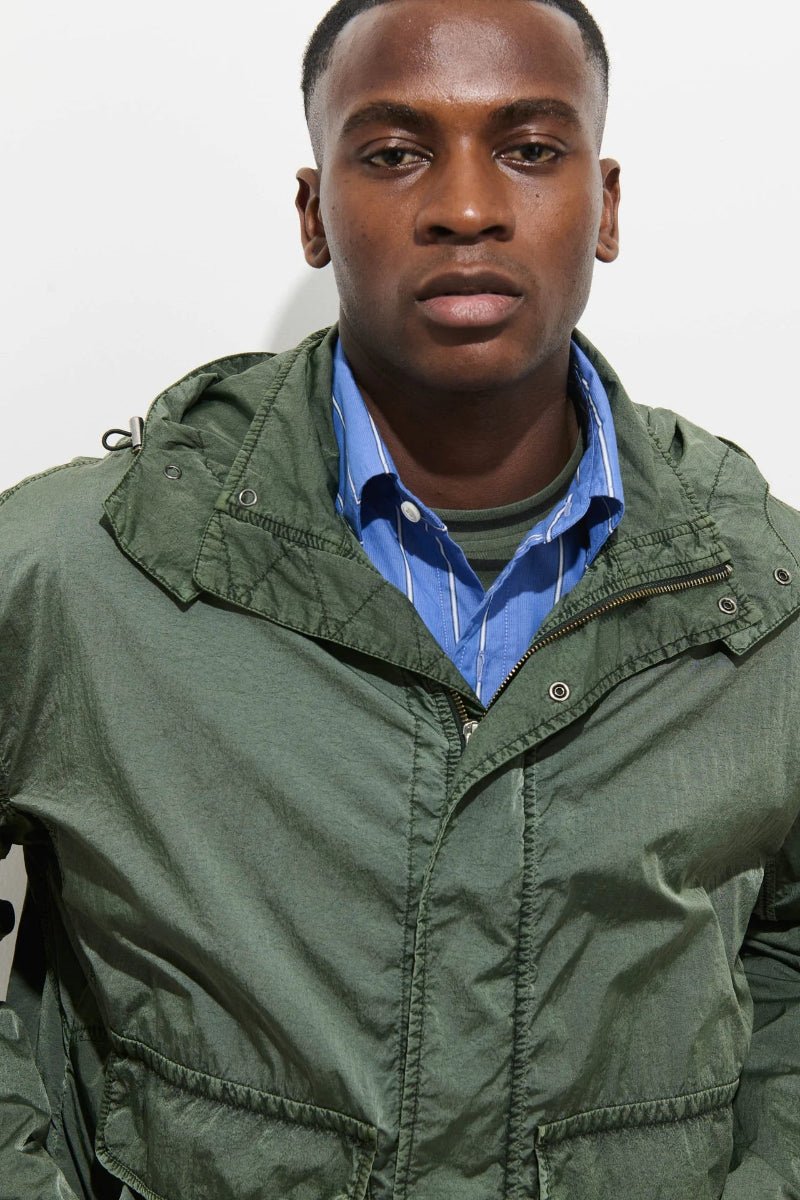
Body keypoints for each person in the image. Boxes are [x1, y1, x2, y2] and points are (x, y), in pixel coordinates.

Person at [1, 0, 798, 1196]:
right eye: (391, 153)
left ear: (605, 205)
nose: (465, 207)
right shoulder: (77, 570)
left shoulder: (763, 596)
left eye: (528, 148)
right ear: (313, 214)